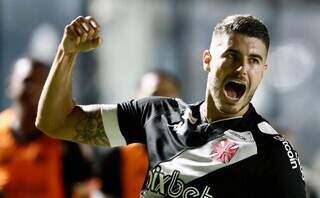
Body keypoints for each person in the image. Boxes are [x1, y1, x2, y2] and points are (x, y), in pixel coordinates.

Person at [36, 15, 306, 197]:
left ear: (264, 71)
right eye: (231, 56)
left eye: (254, 60)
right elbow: (55, 121)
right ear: (208, 60)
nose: (241, 68)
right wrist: (67, 52)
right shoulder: (156, 114)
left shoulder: (271, 151)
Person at [0, 58, 92, 198]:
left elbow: (86, 184)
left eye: (42, 85)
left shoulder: (64, 136)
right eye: (28, 81)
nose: (34, 90)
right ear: (10, 85)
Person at [98, 70, 181, 198]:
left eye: (169, 97)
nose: (162, 104)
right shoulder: (117, 158)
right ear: (136, 102)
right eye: (155, 96)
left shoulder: (197, 151)